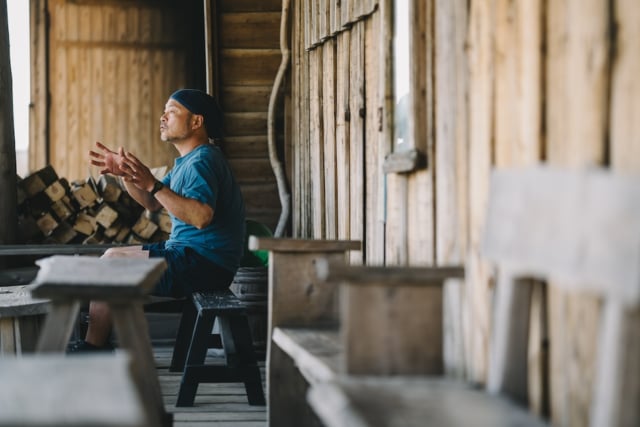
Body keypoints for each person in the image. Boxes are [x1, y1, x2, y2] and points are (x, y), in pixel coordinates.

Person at [69, 88, 246, 352]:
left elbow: (200, 217)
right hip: (190, 256)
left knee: (110, 267)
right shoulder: (188, 161)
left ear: (197, 121)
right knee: (110, 257)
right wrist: (127, 175)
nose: (163, 117)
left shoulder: (203, 161)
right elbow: (152, 202)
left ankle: (93, 350)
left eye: (172, 111)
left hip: (204, 263)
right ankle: (96, 347)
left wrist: (152, 183)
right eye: (164, 111)